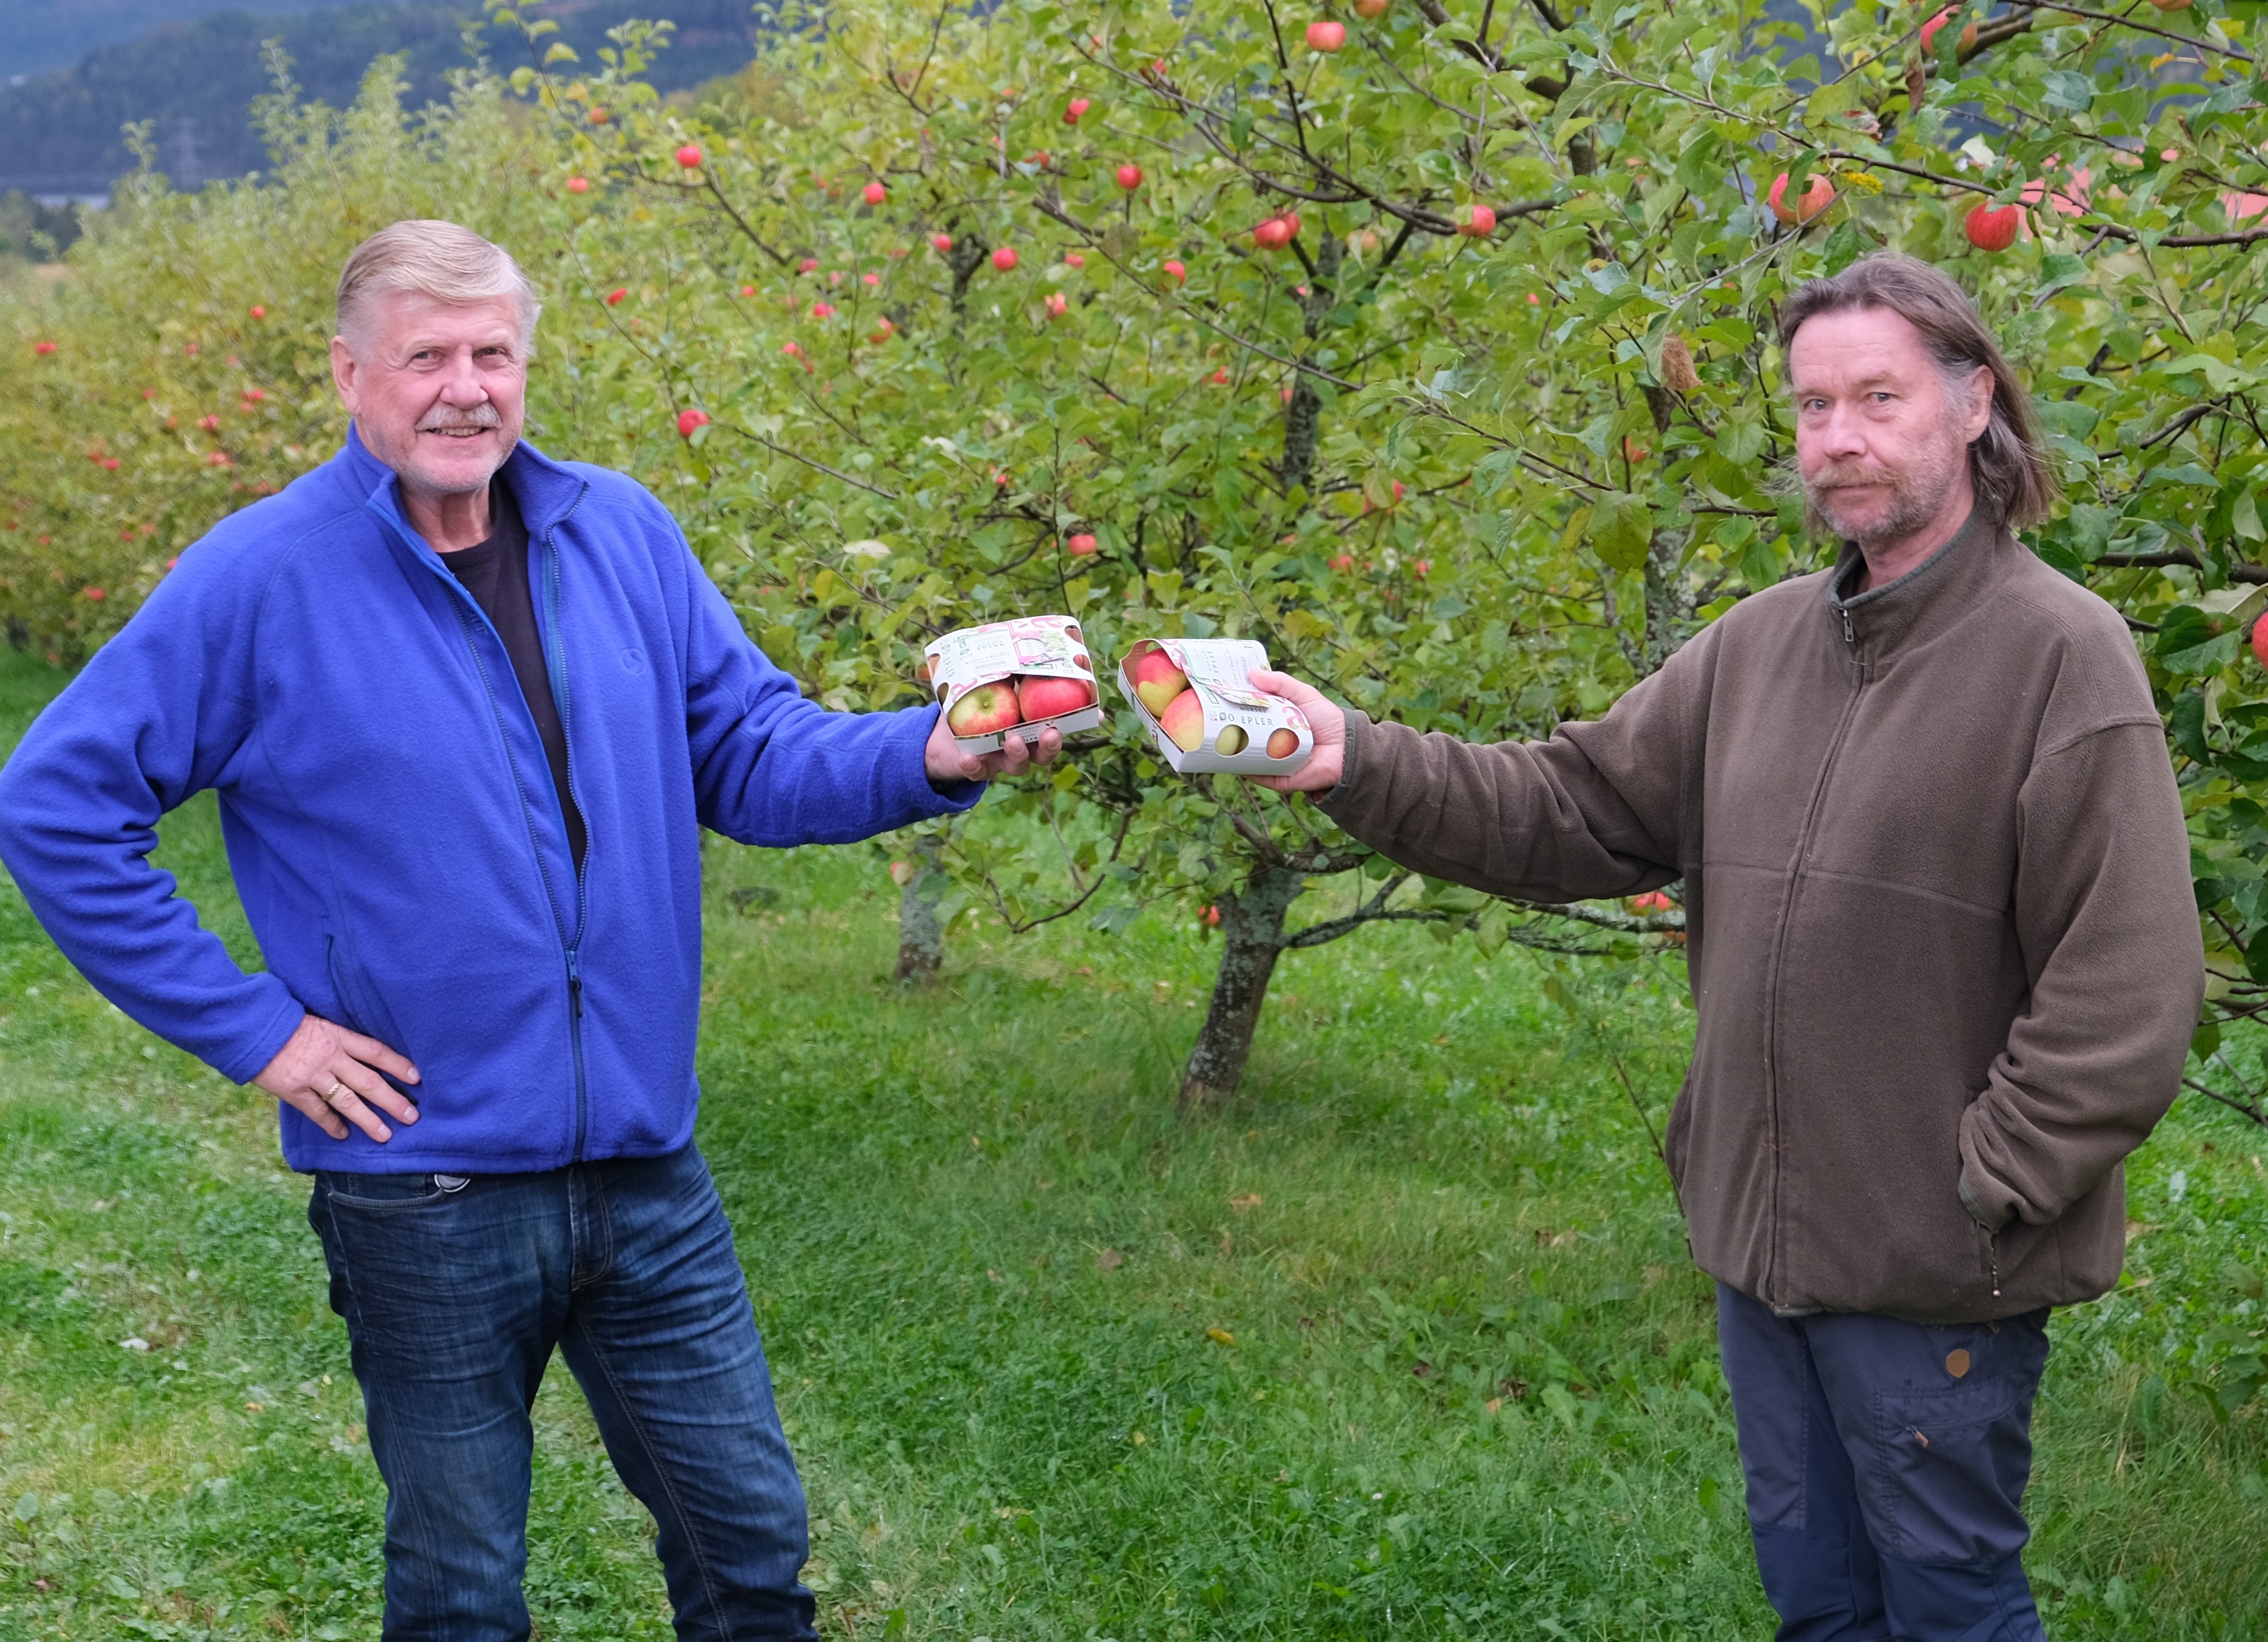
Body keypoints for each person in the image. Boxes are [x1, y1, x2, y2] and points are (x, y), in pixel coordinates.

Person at [0, 220, 1058, 1642]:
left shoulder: (616, 533)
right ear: (350, 374)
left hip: (644, 1166)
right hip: (422, 1187)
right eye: (425, 355)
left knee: (753, 1554)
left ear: (526, 365)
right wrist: (262, 1033)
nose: (464, 388)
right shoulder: (263, 578)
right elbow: (57, 803)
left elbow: (751, 751)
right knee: (460, 1590)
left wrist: (932, 757)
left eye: (492, 353)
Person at [1250, 252, 2203, 1642]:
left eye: (1877, 397)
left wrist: (1976, 1191)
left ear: (1974, 403)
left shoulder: (2063, 658)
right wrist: (1353, 756)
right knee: (1817, 1606)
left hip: (1934, 1269)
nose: (1839, 439)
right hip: (1763, 1255)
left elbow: (2126, 993)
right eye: (1814, 407)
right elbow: (1570, 805)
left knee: (1951, 1606)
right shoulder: (1757, 649)